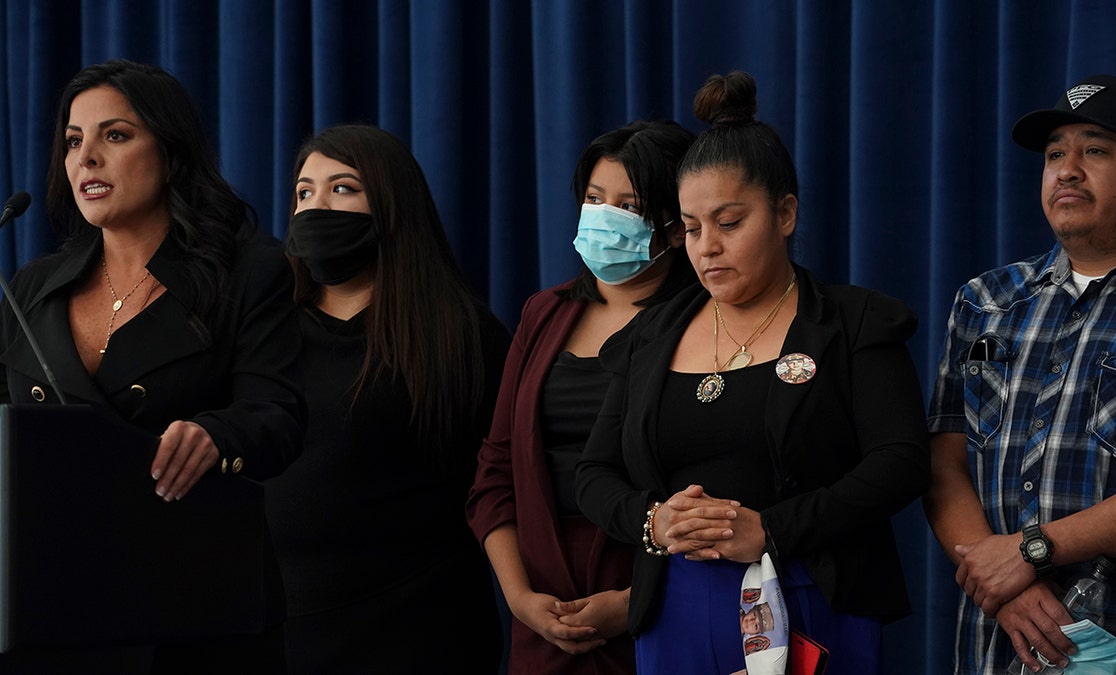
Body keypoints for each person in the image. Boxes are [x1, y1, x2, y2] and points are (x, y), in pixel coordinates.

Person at [575, 71, 930, 675]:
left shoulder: (852, 322)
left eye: (729, 223)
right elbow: (593, 472)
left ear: (785, 213)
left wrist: (772, 530)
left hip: (813, 595)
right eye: (690, 228)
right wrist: (653, 521)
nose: (707, 247)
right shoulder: (651, 335)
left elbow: (900, 461)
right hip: (674, 606)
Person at [0, 59, 304, 672]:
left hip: (192, 606)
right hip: (50, 607)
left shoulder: (248, 271)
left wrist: (217, 435)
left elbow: (279, 415)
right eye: (73, 141)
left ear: (171, 150)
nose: (87, 158)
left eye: (114, 135)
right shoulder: (31, 288)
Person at [924, 74, 1116, 674]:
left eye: (1095, 150)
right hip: (997, 646)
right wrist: (1011, 585)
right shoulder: (986, 301)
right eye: (1055, 154)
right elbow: (943, 464)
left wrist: (1033, 551)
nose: (1067, 170)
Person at [263, 124, 510, 674]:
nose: (316, 207)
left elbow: (503, 485)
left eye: (342, 188)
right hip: (280, 634)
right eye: (304, 192)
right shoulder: (265, 333)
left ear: (392, 204)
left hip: (419, 634)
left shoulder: (462, 336)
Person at [465, 119, 695, 675]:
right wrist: (520, 600)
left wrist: (638, 598)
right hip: (543, 617)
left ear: (676, 226)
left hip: (665, 613)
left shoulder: (702, 322)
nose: (604, 218)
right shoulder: (545, 313)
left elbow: (729, 486)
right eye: (595, 199)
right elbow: (495, 472)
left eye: (629, 206)